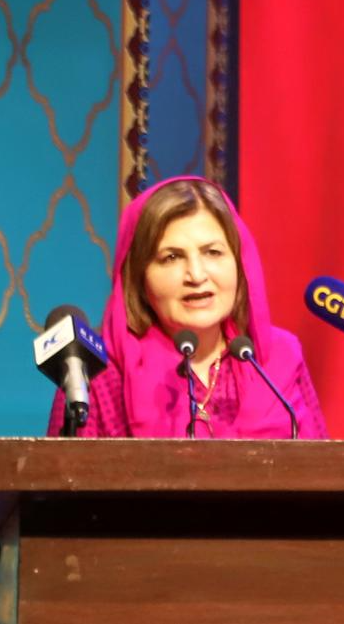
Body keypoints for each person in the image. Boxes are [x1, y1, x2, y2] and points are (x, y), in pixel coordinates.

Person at [46, 177, 328, 439]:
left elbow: (326, 468)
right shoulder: (97, 373)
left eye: (213, 252)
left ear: (240, 262)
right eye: (171, 257)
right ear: (139, 276)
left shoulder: (279, 357)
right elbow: (61, 473)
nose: (196, 275)